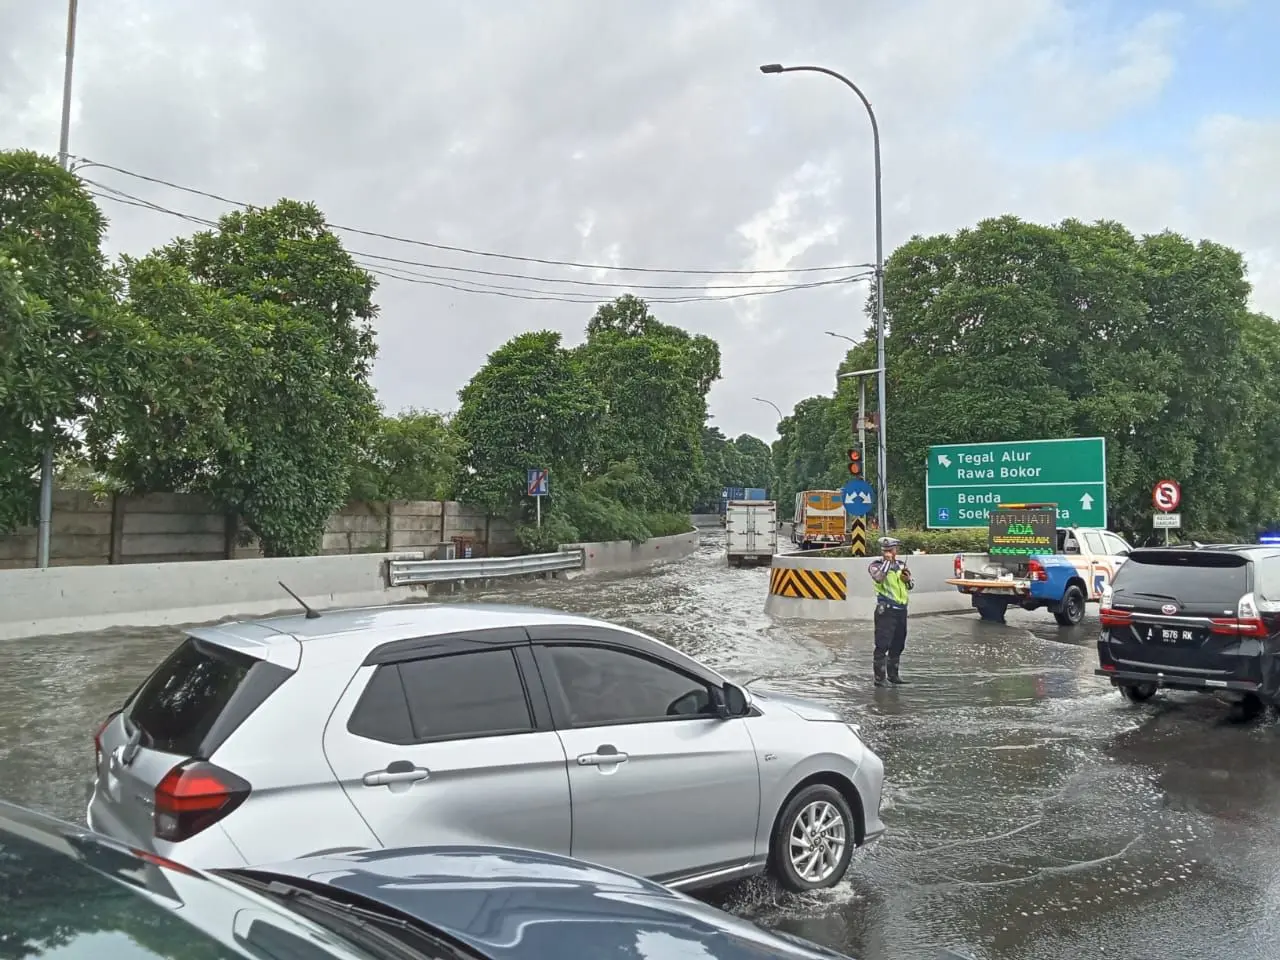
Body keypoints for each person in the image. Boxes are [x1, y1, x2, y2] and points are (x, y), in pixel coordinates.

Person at [868, 536, 914, 687]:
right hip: (886, 610)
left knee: (898, 644)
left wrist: (908, 580)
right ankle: (880, 678)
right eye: (886, 550)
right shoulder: (876, 565)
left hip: (901, 610)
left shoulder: (901, 565)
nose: (889, 552)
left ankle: (893, 675)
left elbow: (910, 585)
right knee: (882, 644)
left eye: (891, 549)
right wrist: (887, 562)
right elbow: (879, 578)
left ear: (896, 550)